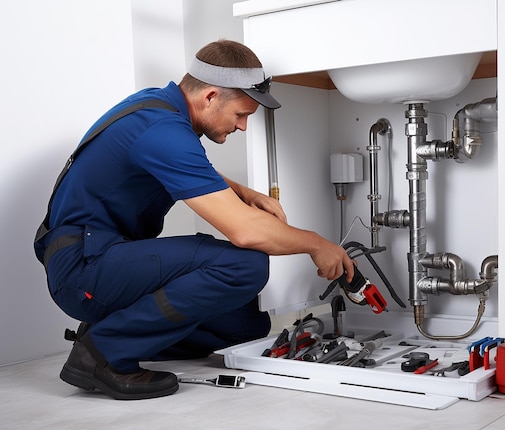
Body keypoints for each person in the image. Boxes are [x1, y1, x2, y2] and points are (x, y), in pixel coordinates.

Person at [34, 39, 354, 400]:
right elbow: (246, 232)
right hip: (83, 270)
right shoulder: (162, 131)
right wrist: (316, 243)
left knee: (245, 325)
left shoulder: (157, 110)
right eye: (241, 115)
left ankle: (112, 327)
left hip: (103, 259)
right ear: (211, 97)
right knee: (245, 265)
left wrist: (242, 193)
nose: (244, 127)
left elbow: (187, 167)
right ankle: (102, 353)